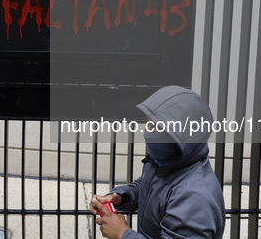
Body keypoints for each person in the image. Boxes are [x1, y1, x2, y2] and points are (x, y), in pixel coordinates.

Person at [90, 86, 225, 239]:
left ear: (181, 135)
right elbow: (148, 185)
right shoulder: (165, 161)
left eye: (157, 127)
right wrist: (121, 197)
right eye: (148, 124)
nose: (148, 132)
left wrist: (123, 234)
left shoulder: (195, 196)